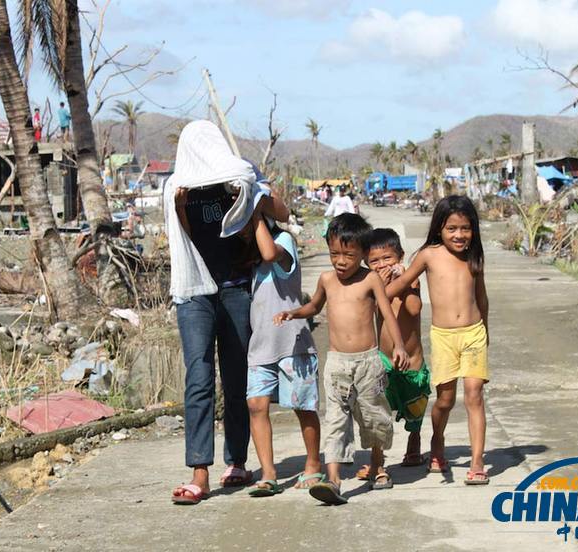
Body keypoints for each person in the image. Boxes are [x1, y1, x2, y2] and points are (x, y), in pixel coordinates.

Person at [167, 120, 290, 506]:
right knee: (199, 377)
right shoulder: (176, 186)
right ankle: (199, 473)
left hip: (237, 288)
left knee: (237, 375)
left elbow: (282, 213)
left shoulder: (241, 172)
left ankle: (236, 461)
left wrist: (255, 190)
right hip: (193, 294)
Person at [275, 213, 408, 505]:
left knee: (373, 417)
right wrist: (294, 313)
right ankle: (333, 481)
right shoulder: (326, 280)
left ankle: (379, 465)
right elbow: (313, 306)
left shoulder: (370, 279)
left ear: (362, 253)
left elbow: (386, 312)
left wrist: (398, 346)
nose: (341, 261)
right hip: (336, 363)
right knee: (336, 419)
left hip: (368, 362)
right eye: (335, 253)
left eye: (349, 255)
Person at [386, 195, 490, 485]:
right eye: (452, 228)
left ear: (474, 230)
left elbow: (481, 297)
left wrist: (487, 330)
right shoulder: (428, 255)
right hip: (444, 337)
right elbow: (403, 282)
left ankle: (478, 461)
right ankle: (438, 442)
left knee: (474, 395)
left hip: (473, 333)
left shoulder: (475, 255)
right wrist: (375, 296)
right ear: (439, 229)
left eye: (465, 228)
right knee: (445, 400)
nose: (459, 235)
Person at [245, 201, 322, 497]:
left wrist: (253, 214)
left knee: (303, 406)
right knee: (255, 406)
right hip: (261, 346)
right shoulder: (250, 261)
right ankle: (268, 473)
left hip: (293, 342)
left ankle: (313, 464)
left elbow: (268, 252)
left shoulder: (284, 241)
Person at [355, 228, 431, 480]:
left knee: (415, 409)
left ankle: (414, 440)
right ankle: (377, 459)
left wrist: (406, 282)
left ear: (400, 256)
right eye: (374, 261)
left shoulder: (412, 281)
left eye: (387, 258)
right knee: (377, 408)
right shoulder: (372, 285)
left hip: (412, 361)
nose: (381, 265)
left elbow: (414, 308)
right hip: (384, 360)